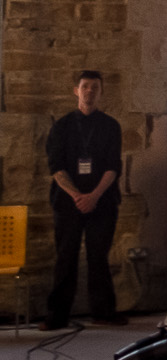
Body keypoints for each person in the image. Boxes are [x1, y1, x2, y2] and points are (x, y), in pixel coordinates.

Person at [42, 70, 127, 330]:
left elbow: (113, 167)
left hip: (102, 201)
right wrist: (78, 196)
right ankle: (57, 316)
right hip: (68, 203)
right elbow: (56, 168)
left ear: (101, 92)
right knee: (65, 256)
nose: (89, 91)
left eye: (95, 87)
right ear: (76, 90)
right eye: (85, 86)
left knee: (98, 256)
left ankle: (103, 312)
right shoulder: (62, 126)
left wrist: (94, 197)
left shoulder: (111, 126)